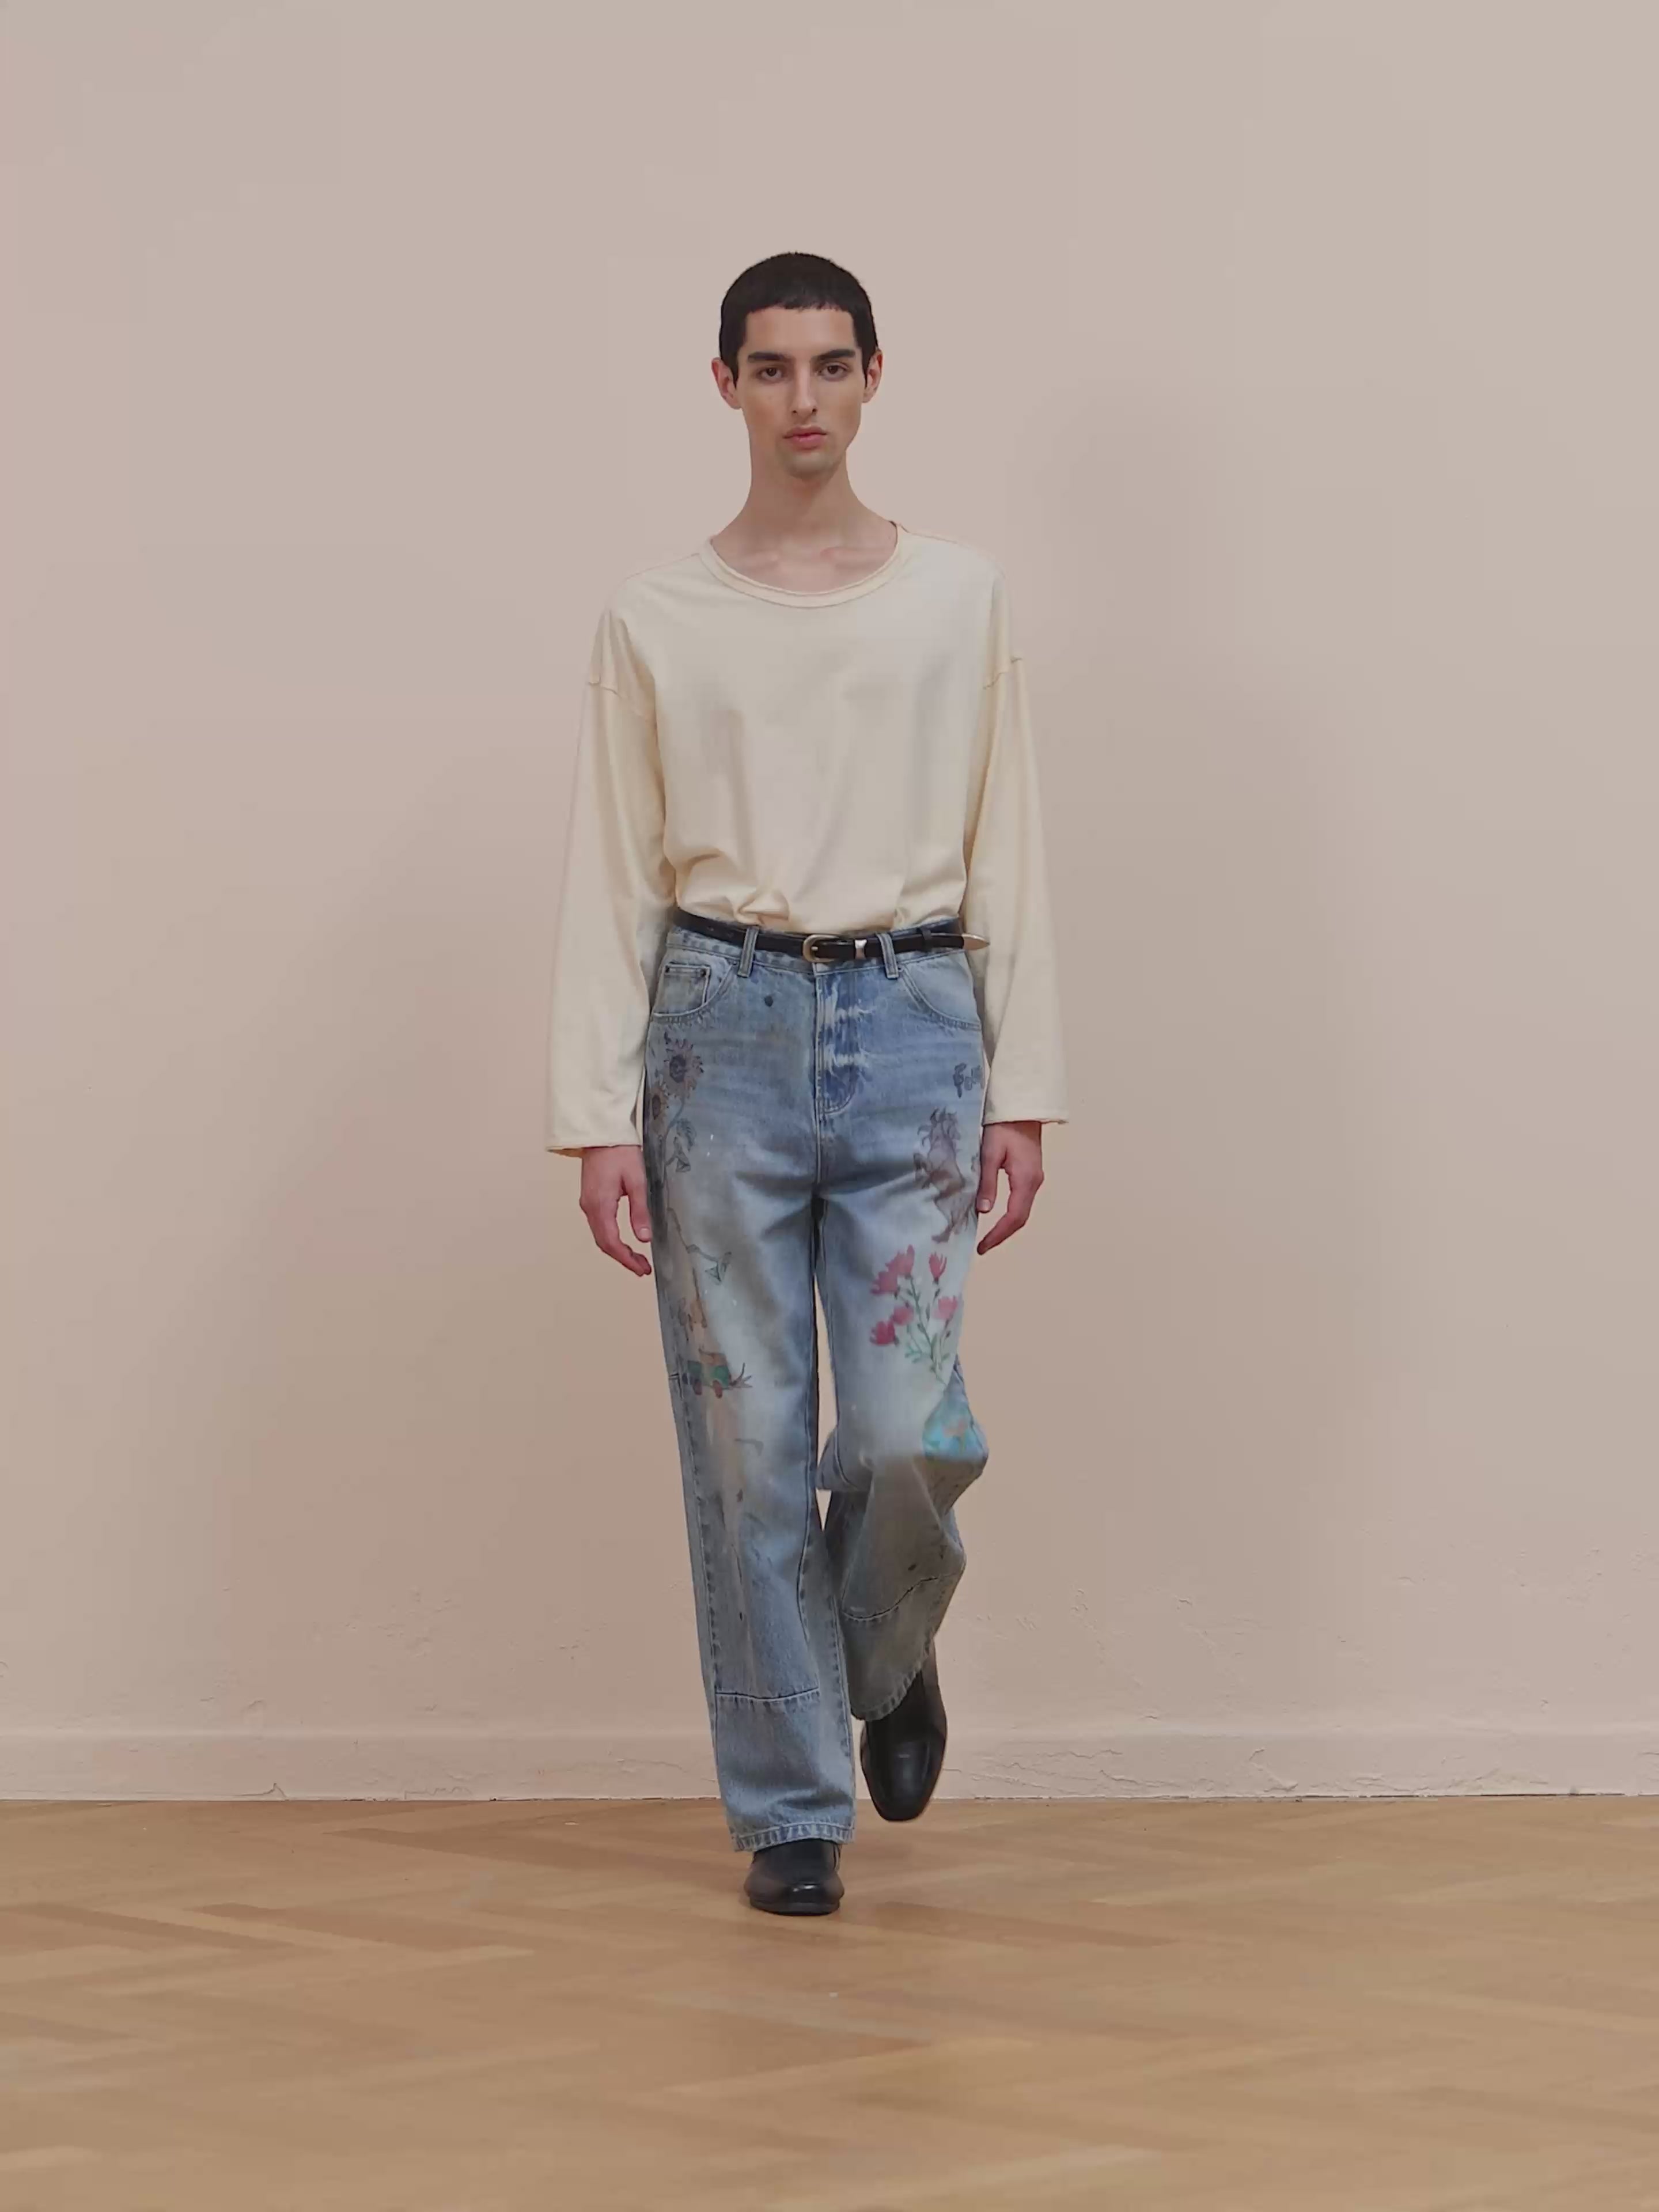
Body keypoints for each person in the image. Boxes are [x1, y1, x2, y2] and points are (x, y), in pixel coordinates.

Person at [543, 252, 1068, 1915]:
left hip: (915, 1018)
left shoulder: (958, 598)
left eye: (832, 365)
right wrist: (593, 1114)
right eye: (771, 369)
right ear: (726, 386)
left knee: (901, 1431)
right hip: (721, 1031)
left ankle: (886, 1637)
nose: (805, 399)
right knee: (747, 1441)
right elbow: (614, 868)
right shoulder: (656, 618)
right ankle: (790, 1809)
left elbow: (1007, 834)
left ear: (874, 375)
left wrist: (1026, 1083)